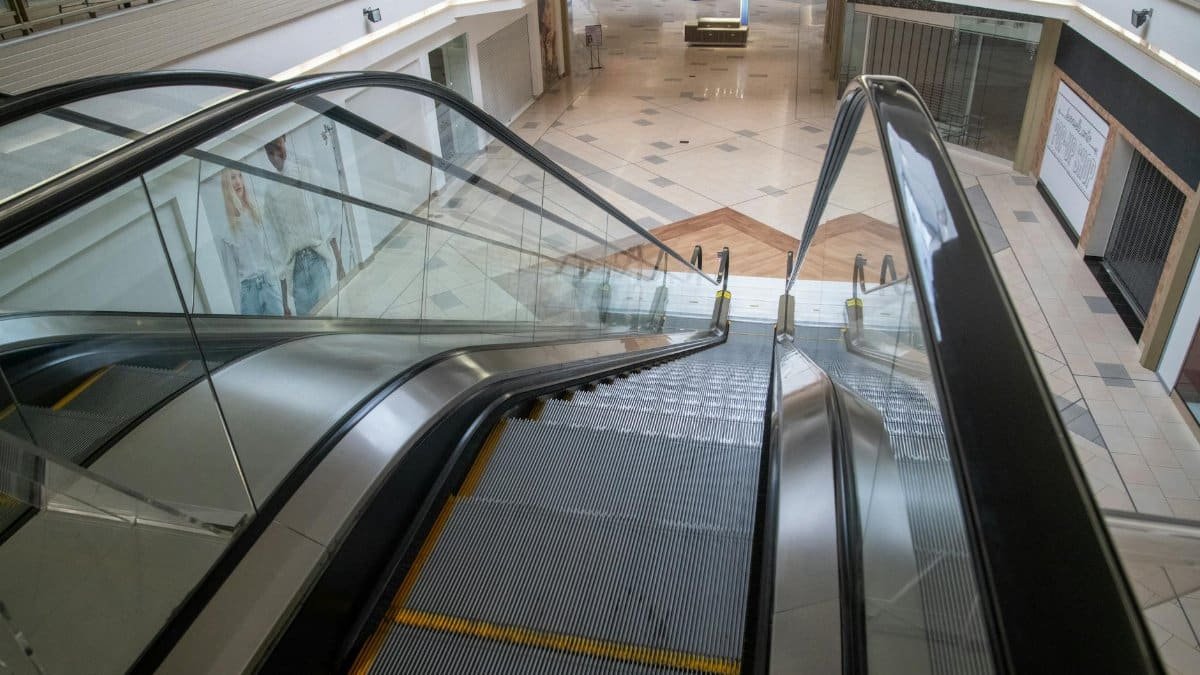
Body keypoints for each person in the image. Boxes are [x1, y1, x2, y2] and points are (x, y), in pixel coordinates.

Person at [261, 134, 345, 316]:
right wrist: (284, 304)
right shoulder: (270, 193)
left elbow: (326, 217)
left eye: (277, 148)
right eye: (270, 152)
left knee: (328, 316)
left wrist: (339, 262)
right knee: (309, 326)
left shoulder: (305, 172)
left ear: (284, 140)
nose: (275, 156)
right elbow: (276, 245)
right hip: (295, 270)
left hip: (317, 259)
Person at [218, 168, 285, 315]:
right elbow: (232, 276)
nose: (237, 182)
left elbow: (273, 253)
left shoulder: (258, 214)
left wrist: (283, 289)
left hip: (268, 283)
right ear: (226, 187)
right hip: (247, 293)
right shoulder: (226, 232)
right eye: (232, 178)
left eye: (240, 176)